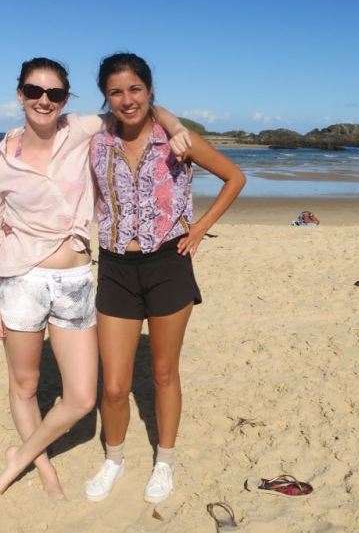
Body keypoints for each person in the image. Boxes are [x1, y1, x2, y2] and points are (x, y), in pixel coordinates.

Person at [0, 57, 190, 499]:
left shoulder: (80, 131)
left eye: (54, 93)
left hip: (75, 278)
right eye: (34, 91)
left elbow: (135, 107)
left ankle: (17, 457)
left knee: (81, 398)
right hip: (18, 279)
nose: (43, 100)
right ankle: (45, 471)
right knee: (25, 385)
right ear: (20, 94)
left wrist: (174, 123)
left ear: (65, 99)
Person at [83, 53, 245, 504]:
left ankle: (164, 461)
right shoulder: (96, 141)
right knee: (114, 383)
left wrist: (199, 228)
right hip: (115, 267)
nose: (126, 99)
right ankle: (113, 459)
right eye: (116, 91)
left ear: (150, 91)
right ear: (106, 97)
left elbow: (235, 177)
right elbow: (52, 133)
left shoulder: (178, 139)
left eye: (135, 89)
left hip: (168, 264)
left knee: (163, 372)